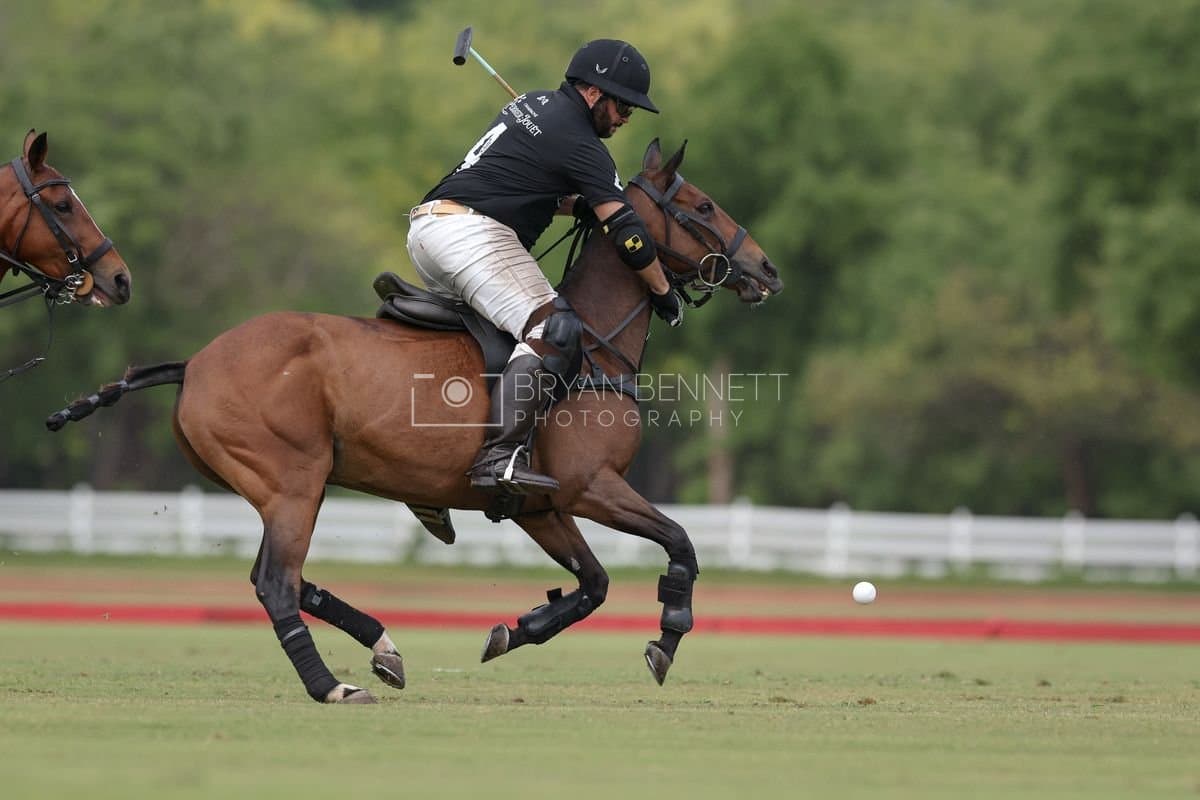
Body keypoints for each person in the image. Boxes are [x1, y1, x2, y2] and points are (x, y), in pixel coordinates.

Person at [407, 38, 683, 497]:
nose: (626, 117)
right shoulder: (582, 144)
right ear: (593, 93)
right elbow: (628, 234)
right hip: (470, 236)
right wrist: (662, 290)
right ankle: (498, 458)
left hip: (428, 229)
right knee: (553, 328)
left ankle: (429, 465)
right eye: (623, 105)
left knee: (495, 338)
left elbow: (522, 188)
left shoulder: (533, 103)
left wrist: (578, 205)